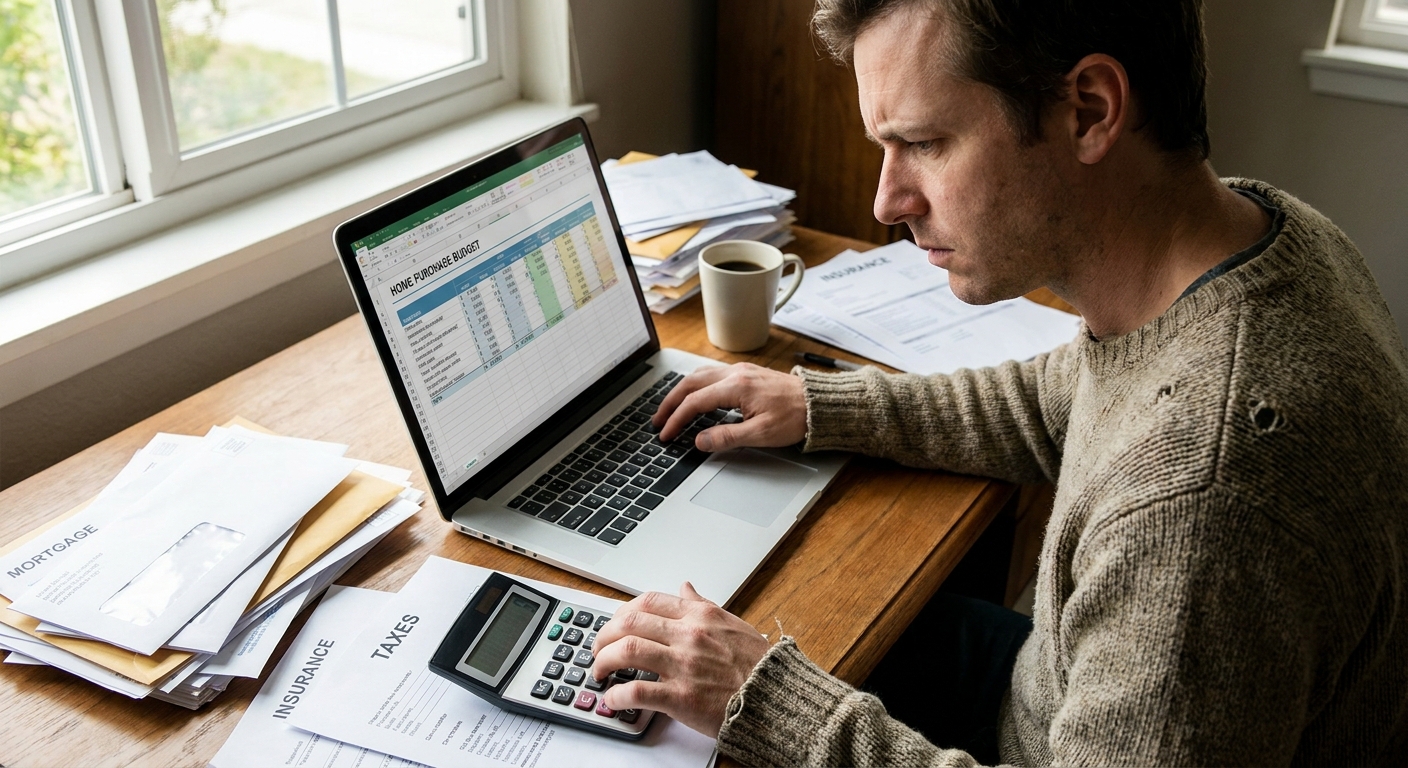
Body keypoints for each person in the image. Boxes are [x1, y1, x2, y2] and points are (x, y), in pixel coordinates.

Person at [590, 0, 1408, 764]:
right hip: (1057, 692)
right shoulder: (1258, 240)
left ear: (1088, 110)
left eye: (926, 143)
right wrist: (820, 404)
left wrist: (765, 703)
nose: (887, 200)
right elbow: (1068, 397)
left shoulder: (1205, 500)